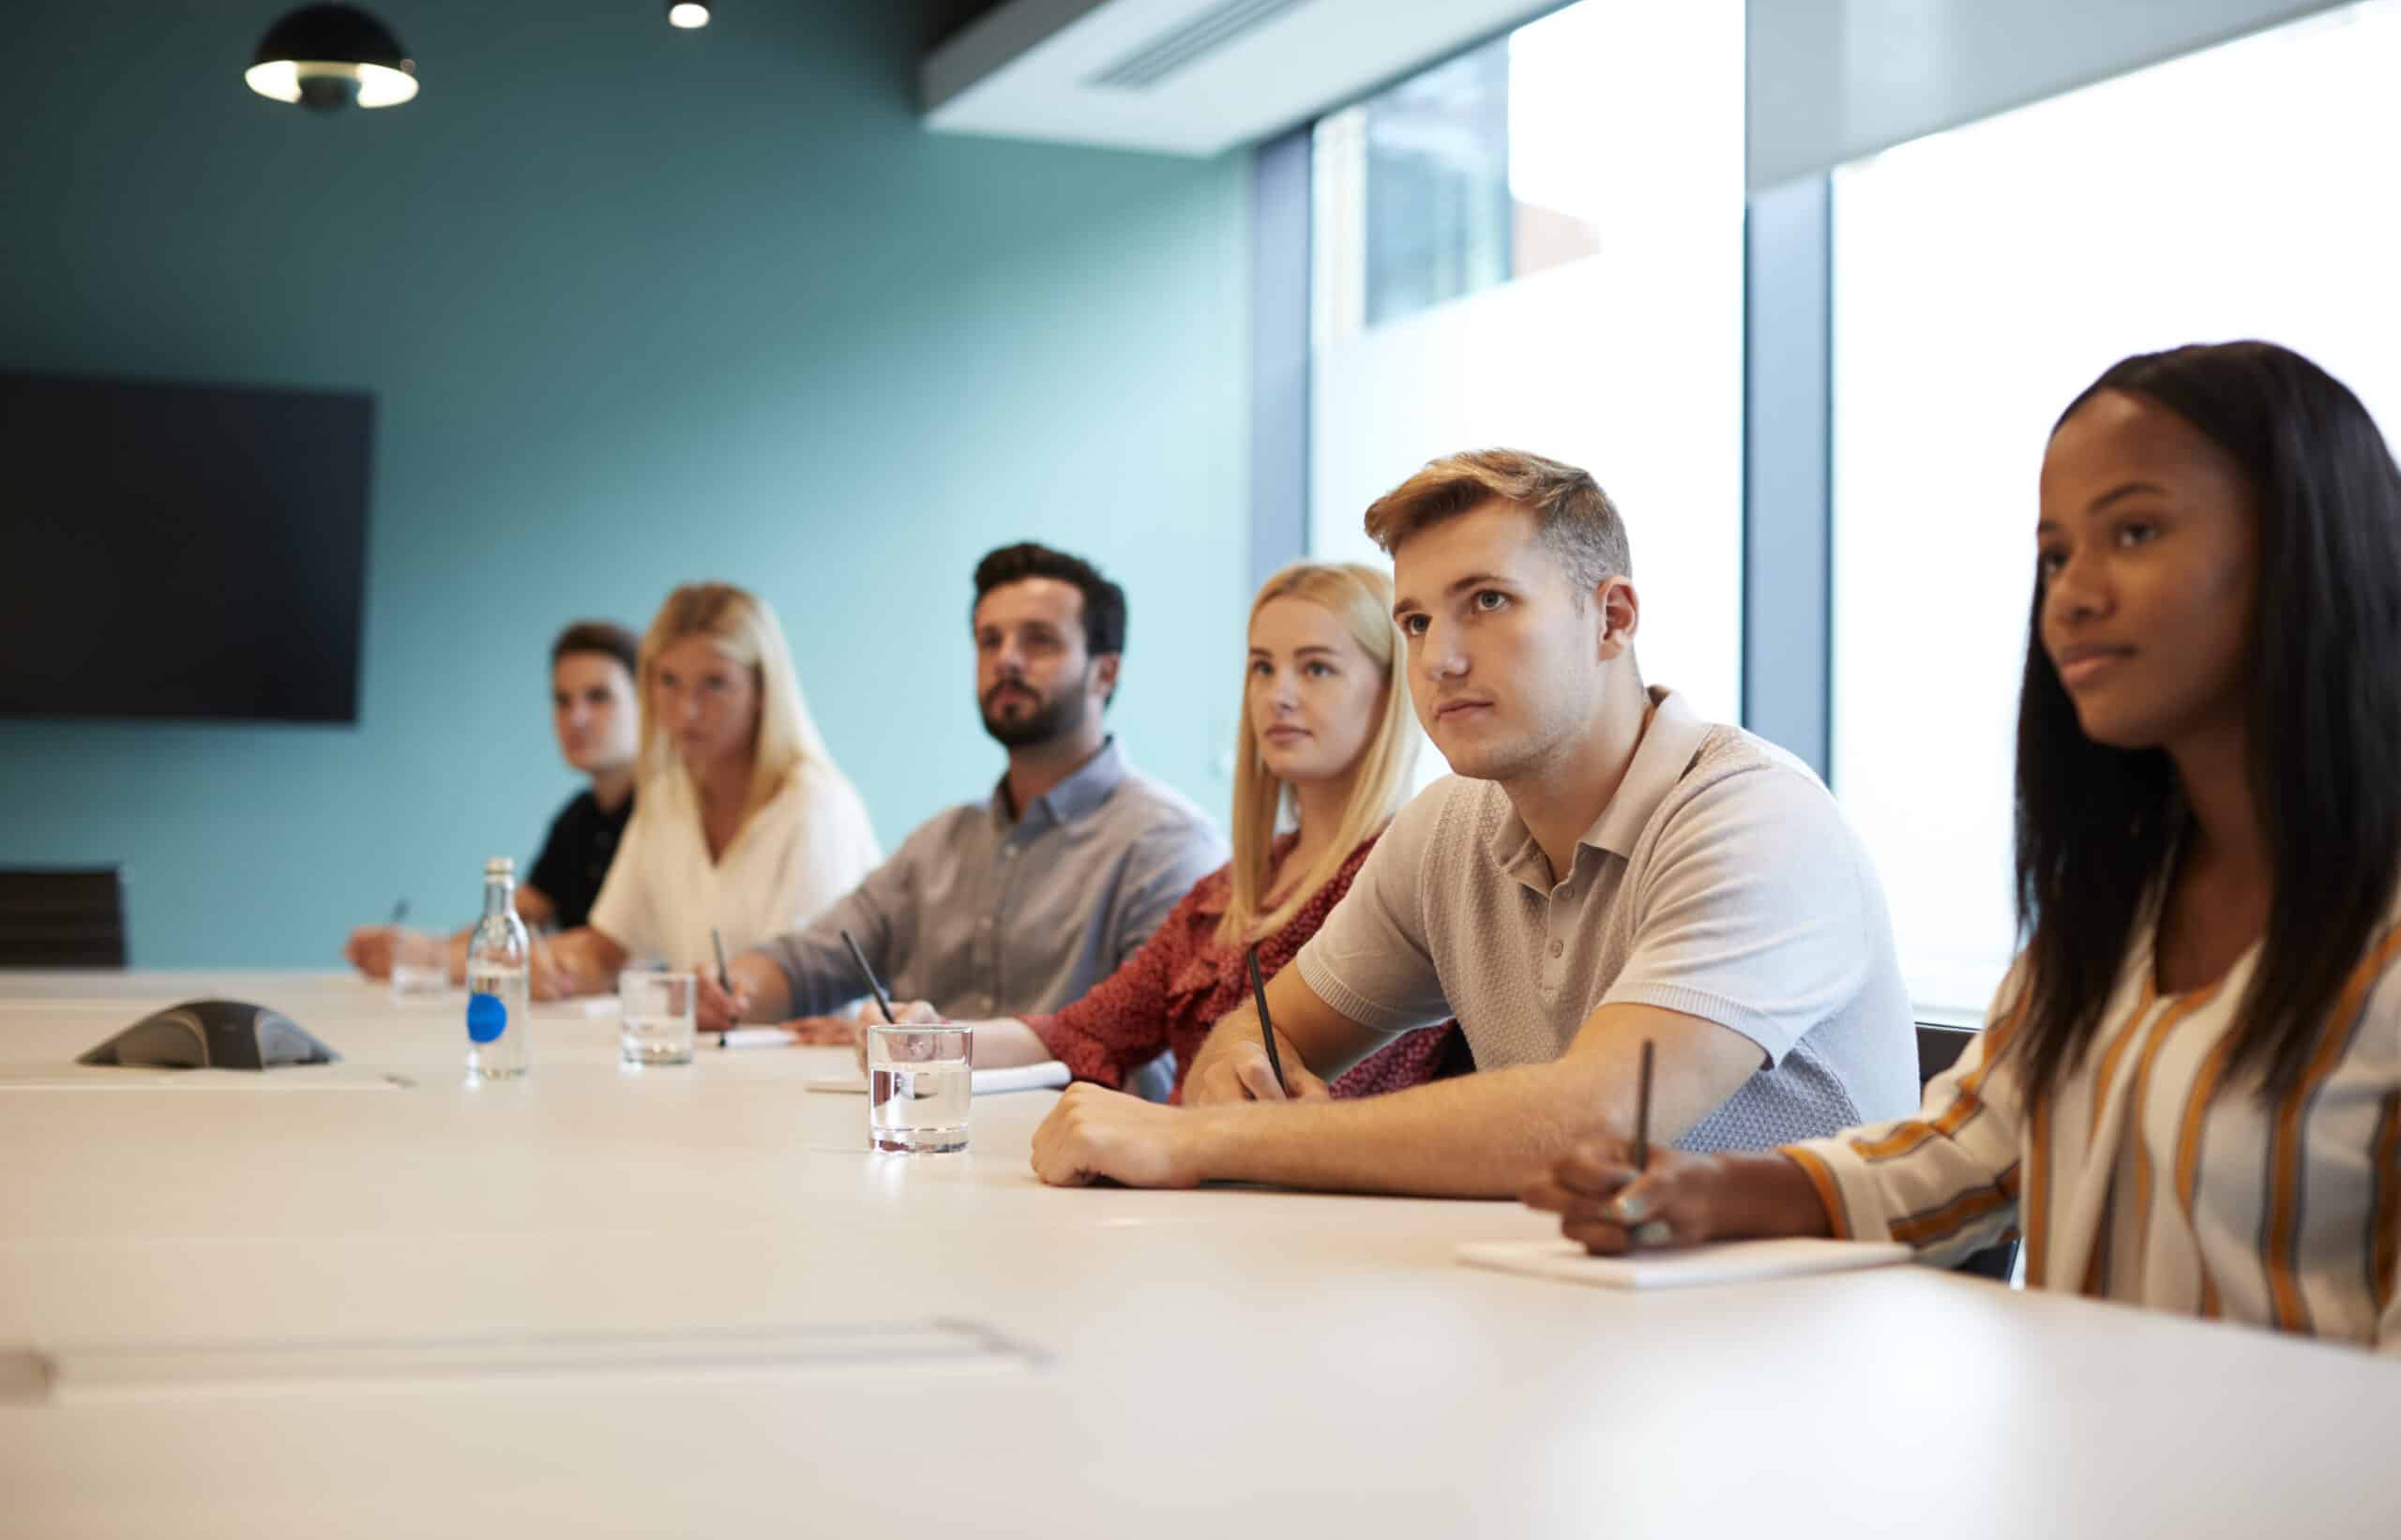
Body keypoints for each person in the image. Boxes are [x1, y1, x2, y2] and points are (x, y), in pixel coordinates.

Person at [1528, 341, 2401, 1349]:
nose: (2069, 595)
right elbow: (1973, 1150)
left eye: (2136, 530)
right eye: (2056, 553)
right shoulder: (2121, 899)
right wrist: (1705, 1191)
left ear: (2307, 545)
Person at [1029, 449, 1917, 1191]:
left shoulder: (1753, 817)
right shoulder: (1448, 828)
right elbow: (1262, 1030)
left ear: (1611, 618)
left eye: (1487, 601)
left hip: (1799, 1346)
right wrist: (1237, 1074)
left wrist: (1206, 1139)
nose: (1440, 660)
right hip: (1577, 1319)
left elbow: (1594, 1117)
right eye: (1414, 620)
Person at [876, 562, 1461, 1100]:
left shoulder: (1397, 878)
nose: (1277, 696)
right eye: (1262, 667)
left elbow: (1313, 1108)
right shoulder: (1224, 894)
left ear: (1391, 693)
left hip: (1297, 1205)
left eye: (1316, 668)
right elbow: (1081, 1032)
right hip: (1189, 1191)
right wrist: (935, 1040)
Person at [697, 544, 1228, 1071]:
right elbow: (812, 961)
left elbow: (1157, 1042)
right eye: (988, 640)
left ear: (1105, 673)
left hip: (1069, 1145)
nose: (1007, 660)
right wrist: (733, 990)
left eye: (1039, 641)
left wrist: (941, 1046)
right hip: (911, 1138)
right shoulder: (940, 842)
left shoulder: (1168, 846)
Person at [535, 583, 881, 996]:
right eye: (668, 682)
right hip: (707, 1052)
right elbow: (608, 952)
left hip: (805, 1055)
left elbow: (805, 985)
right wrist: (555, 969)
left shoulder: (814, 806)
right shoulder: (666, 799)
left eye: (714, 683)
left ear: (761, 691)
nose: (687, 710)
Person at [342, 620, 642, 983]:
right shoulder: (579, 816)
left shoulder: (668, 816)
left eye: (598, 697)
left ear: (648, 704)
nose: (576, 717)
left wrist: (433, 960)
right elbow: (514, 918)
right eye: (562, 701)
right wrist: (413, 947)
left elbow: (607, 950)